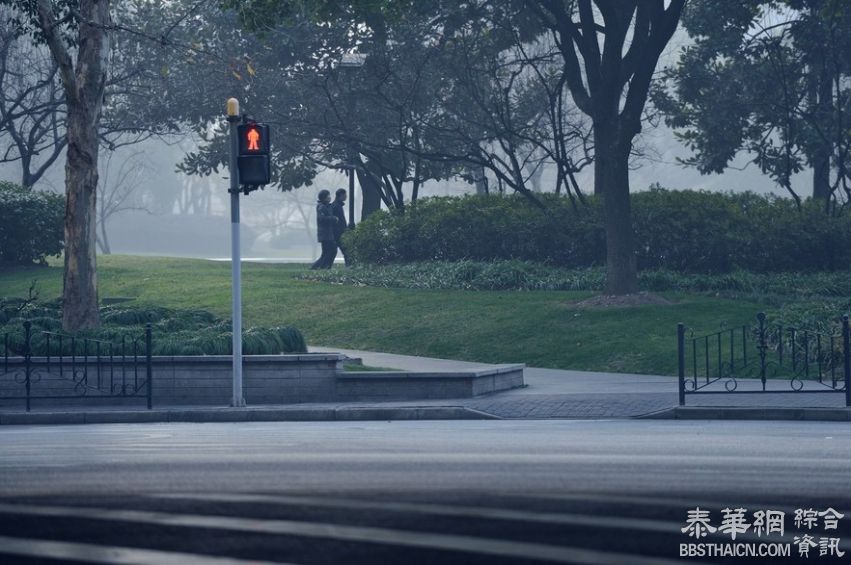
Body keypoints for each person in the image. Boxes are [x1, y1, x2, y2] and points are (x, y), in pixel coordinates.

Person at [310, 190, 339, 269]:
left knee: (326, 252)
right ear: (324, 198)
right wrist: (333, 218)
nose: (330, 197)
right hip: (325, 234)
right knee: (332, 250)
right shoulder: (321, 206)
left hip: (328, 233)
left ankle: (319, 267)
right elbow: (321, 218)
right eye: (328, 196)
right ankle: (324, 267)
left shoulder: (326, 206)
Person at [330, 188, 349, 266]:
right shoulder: (336, 206)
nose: (346, 196)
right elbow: (339, 221)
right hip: (338, 233)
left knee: (333, 252)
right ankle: (349, 266)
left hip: (338, 232)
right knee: (346, 251)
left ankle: (326, 266)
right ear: (341, 195)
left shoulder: (336, 205)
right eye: (345, 195)